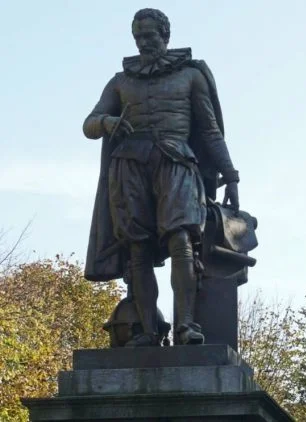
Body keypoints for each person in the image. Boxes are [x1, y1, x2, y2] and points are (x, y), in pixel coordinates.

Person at [83, 8, 240, 347]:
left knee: (180, 239)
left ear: (165, 35)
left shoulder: (191, 75)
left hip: (176, 162)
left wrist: (231, 176)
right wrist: (107, 123)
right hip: (129, 167)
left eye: (149, 36)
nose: (143, 43)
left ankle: (186, 325)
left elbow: (210, 132)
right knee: (138, 250)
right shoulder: (120, 82)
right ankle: (149, 332)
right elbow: (89, 124)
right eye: (138, 37)